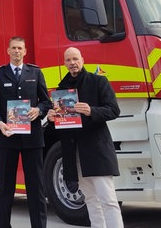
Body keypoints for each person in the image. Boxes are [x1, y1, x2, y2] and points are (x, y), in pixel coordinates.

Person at [47, 47, 123, 228]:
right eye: (68, 60)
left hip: (96, 150)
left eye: (75, 59)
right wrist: (51, 119)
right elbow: (62, 124)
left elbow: (114, 110)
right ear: (64, 63)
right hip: (73, 153)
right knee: (90, 199)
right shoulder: (61, 90)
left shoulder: (98, 81)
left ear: (82, 60)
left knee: (108, 200)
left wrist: (92, 111)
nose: (72, 63)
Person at [0, 36, 52, 228]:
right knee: (5, 188)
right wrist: (0, 124)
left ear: (25, 51)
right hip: (7, 138)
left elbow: (46, 101)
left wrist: (38, 110)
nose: (17, 51)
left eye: (20, 48)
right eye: (13, 48)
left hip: (33, 139)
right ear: (8, 51)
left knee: (36, 188)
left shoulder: (36, 72)